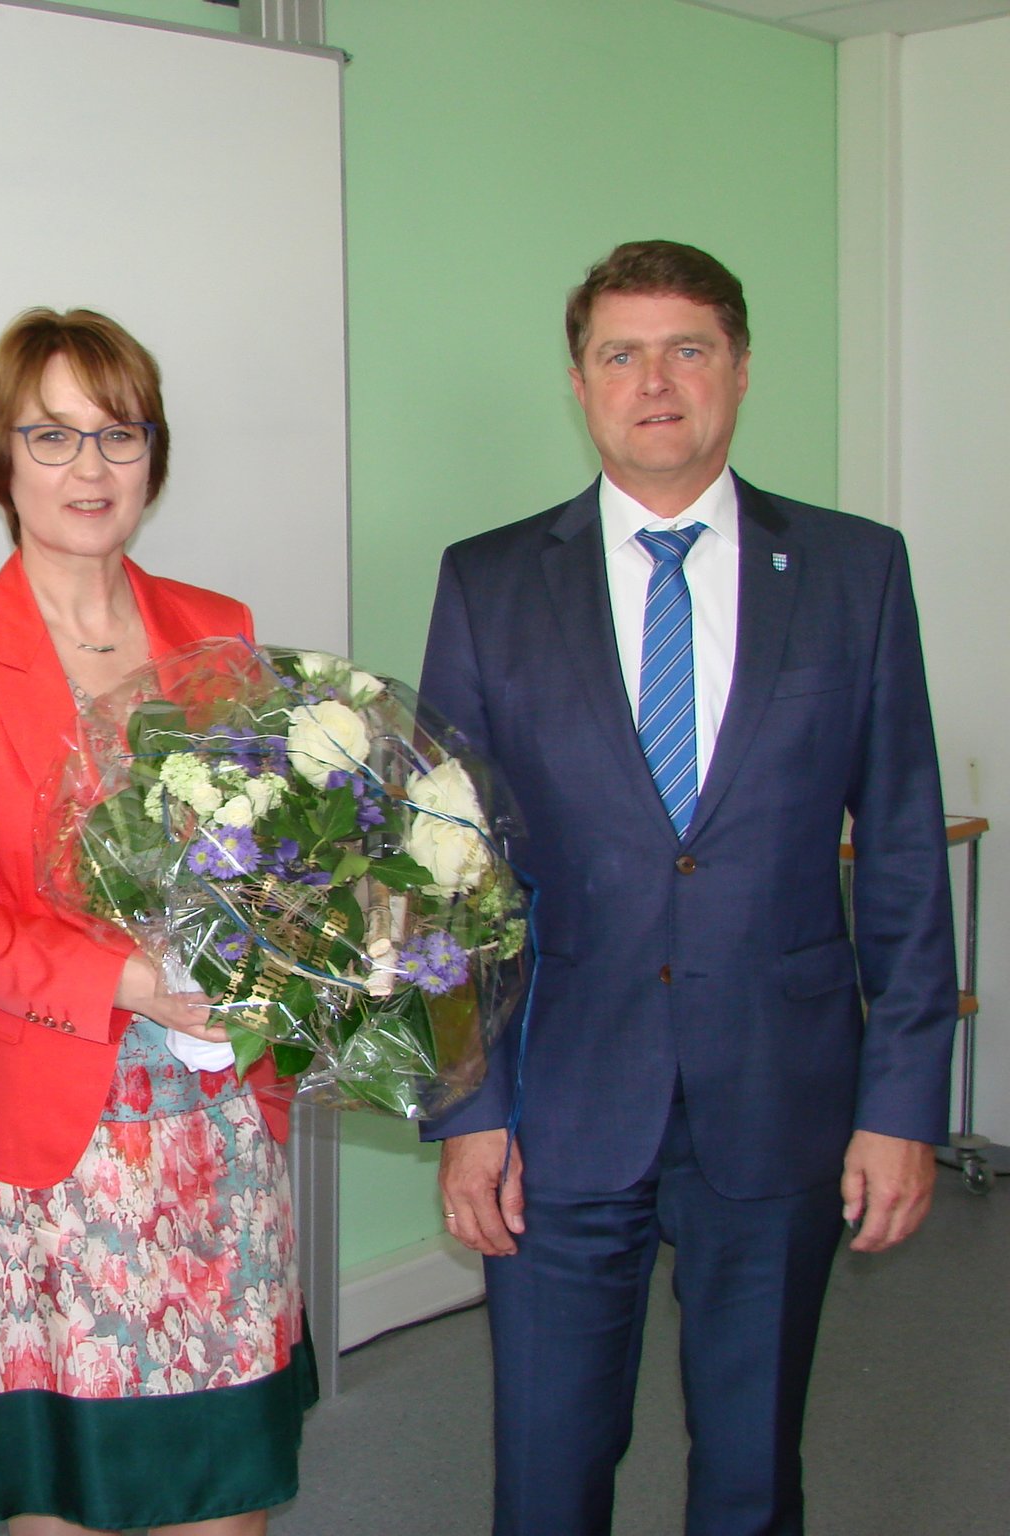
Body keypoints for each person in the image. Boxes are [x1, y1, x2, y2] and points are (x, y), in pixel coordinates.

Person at [420, 239, 958, 1536]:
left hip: (782, 1097)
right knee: (546, 1474)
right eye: (621, 353)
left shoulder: (854, 572)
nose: (654, 380)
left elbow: (897, 850)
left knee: (751, 1474)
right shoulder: (489, 582)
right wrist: (467, 1107)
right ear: (580, 381)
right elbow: (442, 876)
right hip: (555, 1104)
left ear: (739, 370)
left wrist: (903, 1104)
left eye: (688, 349)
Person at [0, 308, 317, 1536]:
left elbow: (272, 852)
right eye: (51, 435)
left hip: (209, 1130)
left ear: (152, 457)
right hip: (32, 1149)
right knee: (62, 1500)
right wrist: (123, 978)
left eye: (116, 435)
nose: (87, 469)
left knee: (222, 1488)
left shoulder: (215, 627)